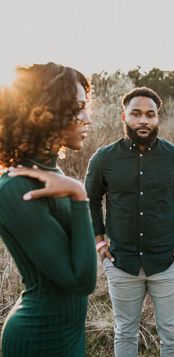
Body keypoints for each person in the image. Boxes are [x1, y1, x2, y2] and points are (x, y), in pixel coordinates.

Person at [85, 87, 174, 357]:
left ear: (157, 119)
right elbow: (89, 201)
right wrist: (100, 243)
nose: (144, 120)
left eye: (151, 115)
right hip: (121, 262)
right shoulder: (104, 159)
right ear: (123, 117)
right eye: (136, 114)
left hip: (168, 262)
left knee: (172, 334)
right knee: (125, 331)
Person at [0, 62, 97, 357]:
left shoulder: (51, 174)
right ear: (46, 111)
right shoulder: (15, 187)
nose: (87, 117)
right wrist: (79, 194)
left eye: (86, 106)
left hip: (69, 333)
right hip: (38, 338)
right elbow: (81, 281)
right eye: (77, 107)